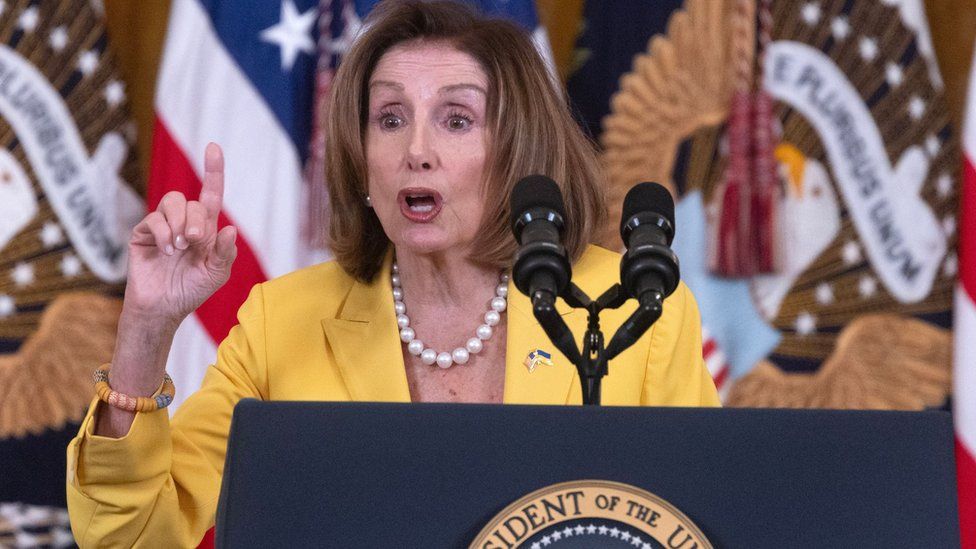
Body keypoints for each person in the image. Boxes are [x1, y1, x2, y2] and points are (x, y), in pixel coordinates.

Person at [66, 0, 719, 546]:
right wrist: (147, 327)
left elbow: (700, 525)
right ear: (362, 160)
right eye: (390, 118)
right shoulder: (282, 321)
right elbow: (133, 537)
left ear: (518, 151)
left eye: (456, 119)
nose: (416, 151)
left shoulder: (634, 306)